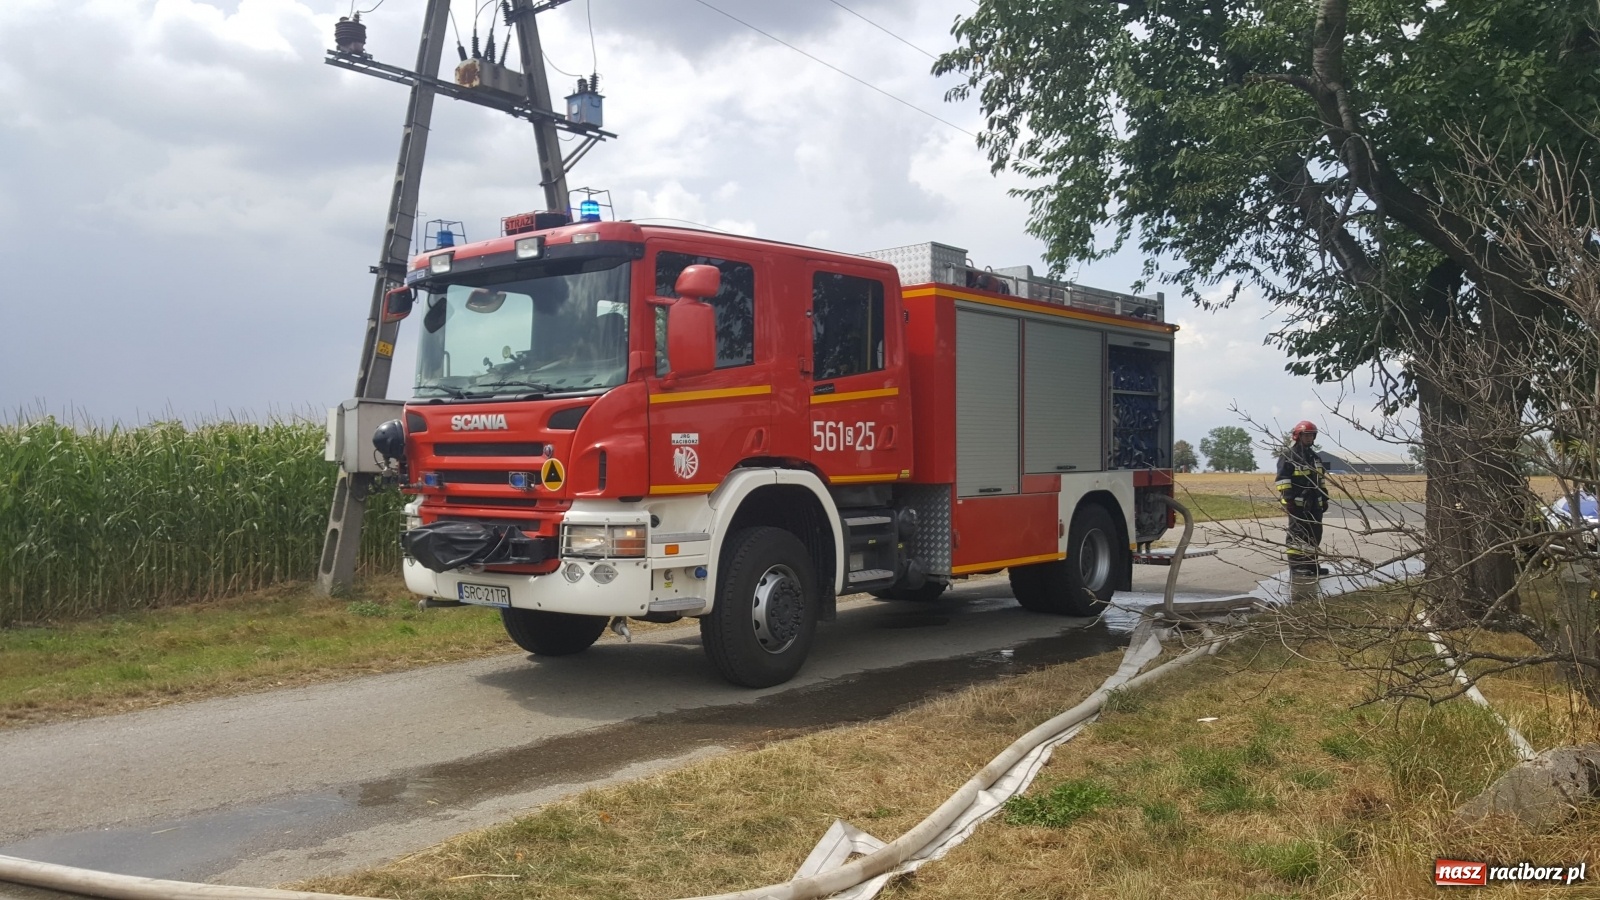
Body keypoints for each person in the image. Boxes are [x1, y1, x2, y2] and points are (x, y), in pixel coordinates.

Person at [1276, 420, 1329, 576]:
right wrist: (1289, 500)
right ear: (1298, 436)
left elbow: (1321, 479)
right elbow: (1282, 479)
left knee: (1314, 534)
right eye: (1306, 435)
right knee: (1298, 535)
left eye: (1312, 435)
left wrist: (1324, 498)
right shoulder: (1288, 456)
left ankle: (1312, 565)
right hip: (1297, 504)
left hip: (1315, 504)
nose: (1309, 438)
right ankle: (1297, 566)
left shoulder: (1315, 457)